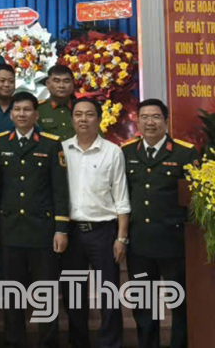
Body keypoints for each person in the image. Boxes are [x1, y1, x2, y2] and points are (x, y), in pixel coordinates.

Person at [0, 92, 70, 348]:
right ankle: (14, 341)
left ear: (36, 115)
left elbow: (60, 190)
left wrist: (61, 228)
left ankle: (48, 342)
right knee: (12, 293)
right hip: (10, 230)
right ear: (11, 114)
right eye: (17, 110)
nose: (22, 114)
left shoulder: (50, 144)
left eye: (27, 110)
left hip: (42, 231)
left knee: (45, 293)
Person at [122, 99, 196, 348]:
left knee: (180, 304)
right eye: (144, 117)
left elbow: (193, 202)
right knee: (144, 305)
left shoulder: (185, 153)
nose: (150, 122)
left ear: (166, 121)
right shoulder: (127, 153)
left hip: (174, 243)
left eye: (155, 117)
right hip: (140, 244)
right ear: (138, 121)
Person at [61, 98, 130, 348]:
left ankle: (110, 343)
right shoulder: (62, 150)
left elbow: (121, 197)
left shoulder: (113, 151)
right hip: (71, 232)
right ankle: (78, 342)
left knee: (109, 294)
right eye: (78, 114)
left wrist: (121, 237)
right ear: (72, 119)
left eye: (89, 114)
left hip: (104, 231)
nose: (83, 119)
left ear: (99, 119)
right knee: (73, 295)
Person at [37, 65, 77, 140]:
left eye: (66, 81)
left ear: (73, 84)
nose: (61, 86)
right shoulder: (38, 109)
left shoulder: (82, 108)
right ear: (47, 83)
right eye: (56, 81)